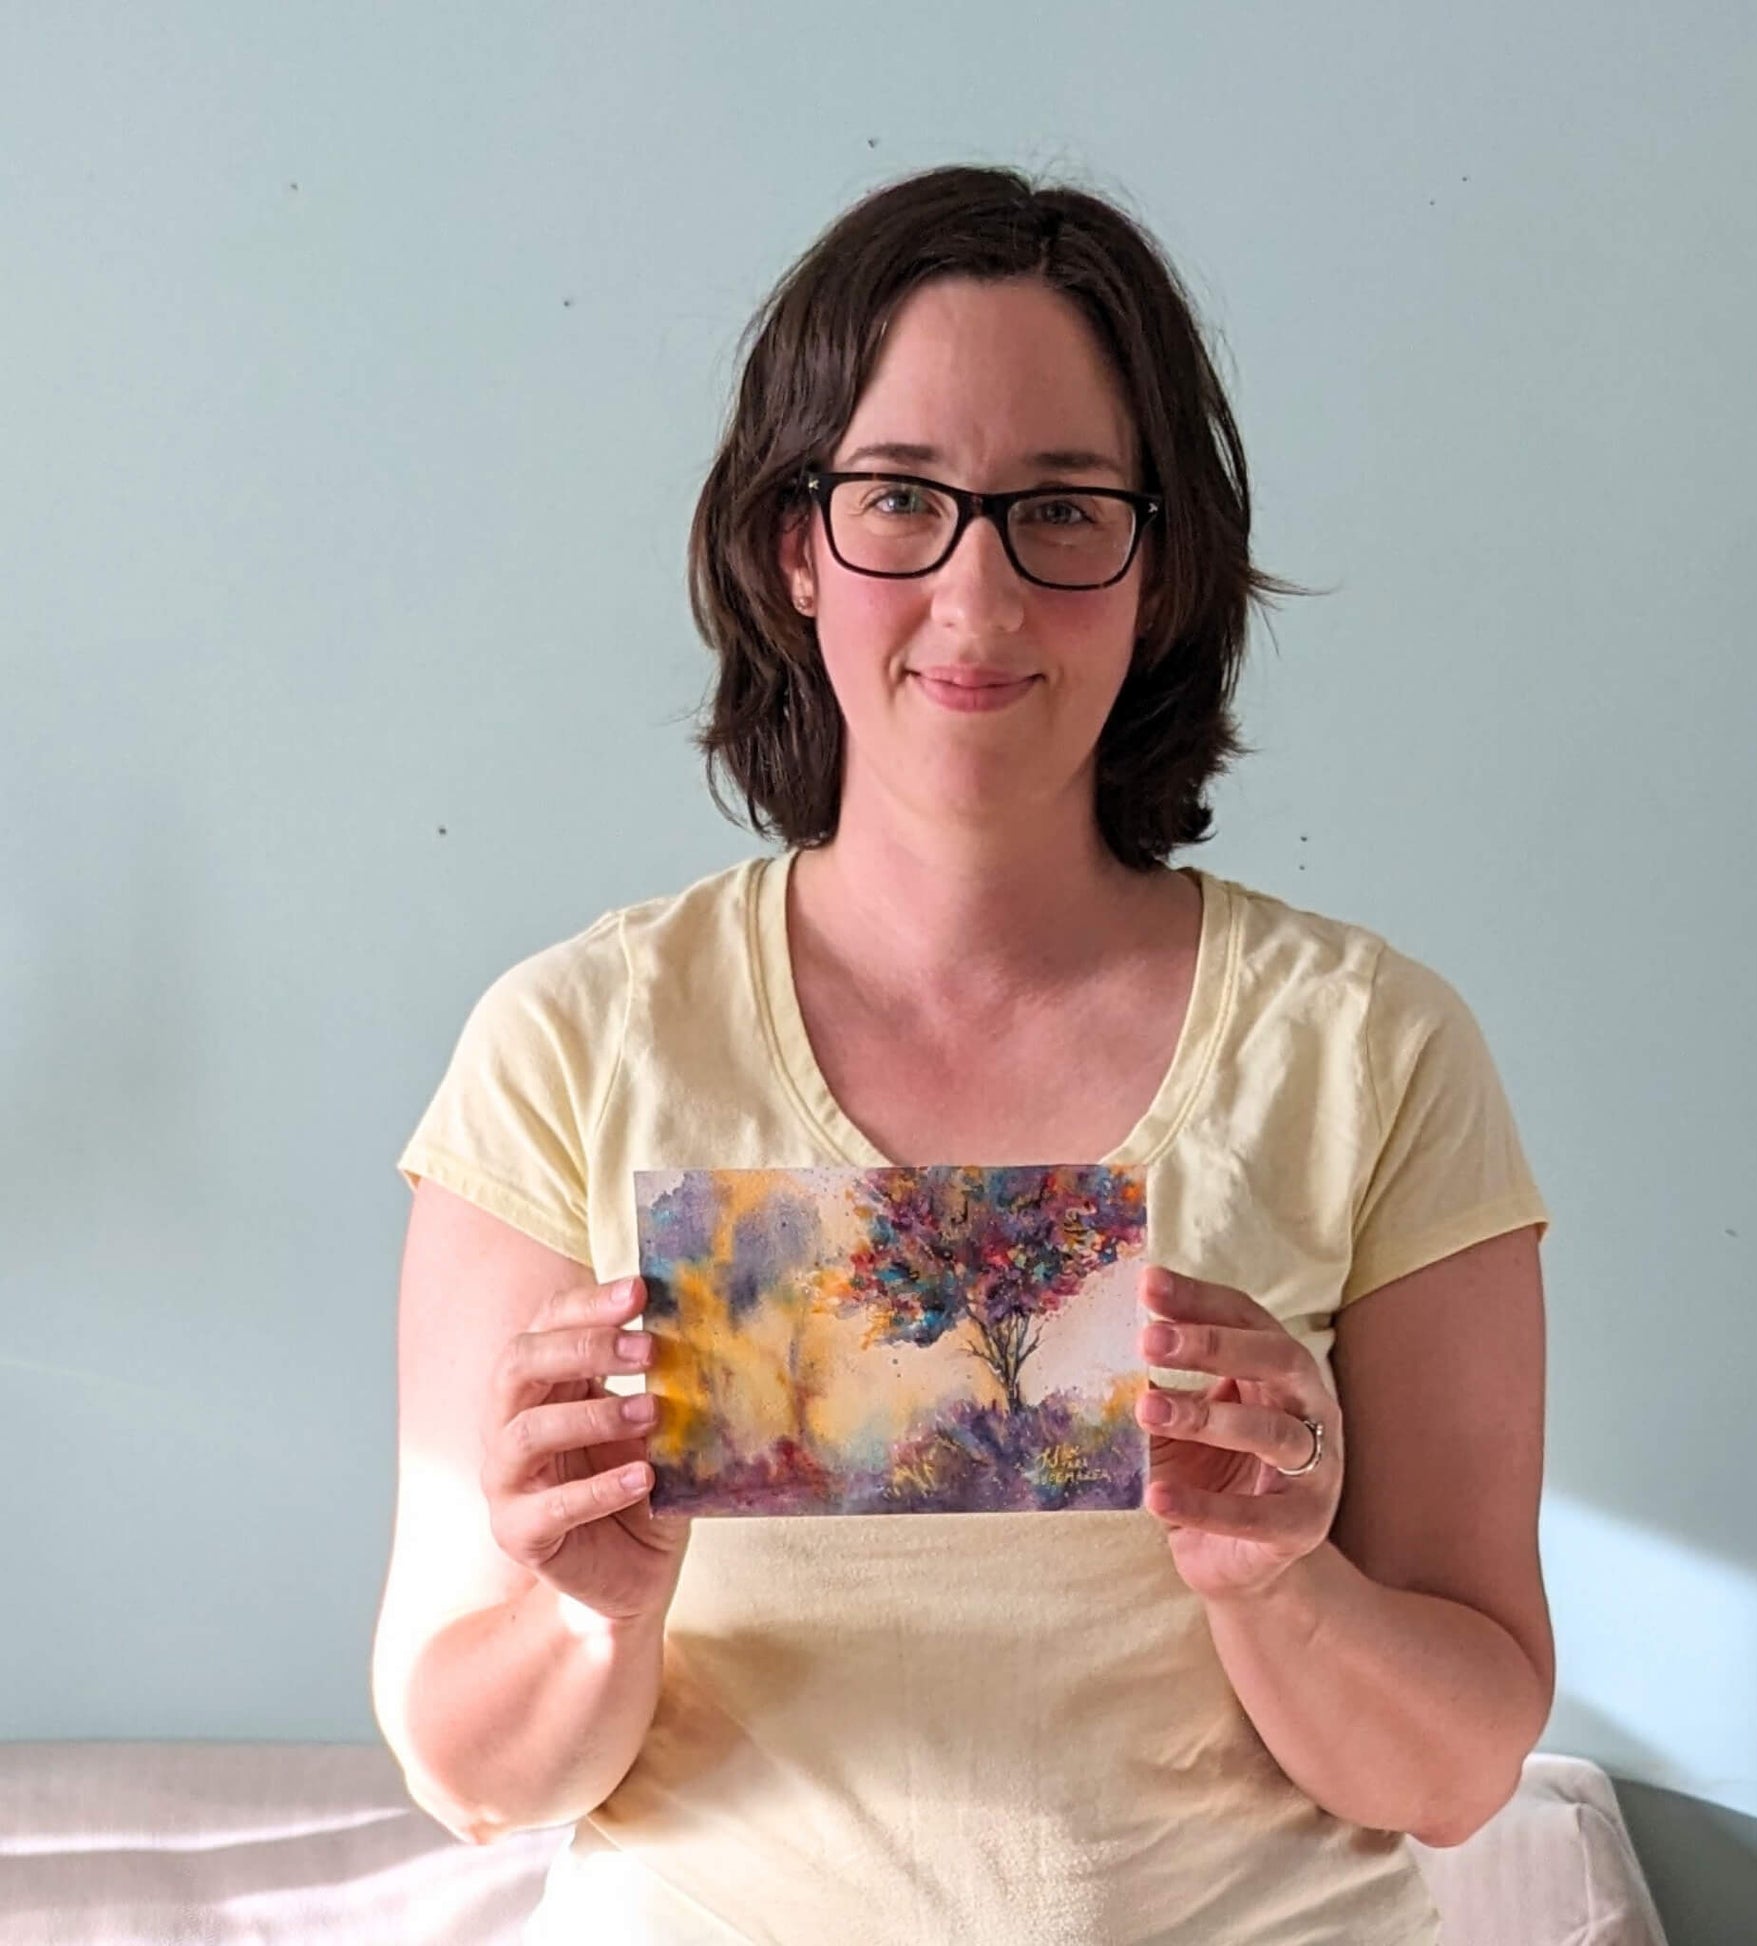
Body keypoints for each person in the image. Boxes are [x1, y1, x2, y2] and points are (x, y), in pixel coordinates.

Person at [372, 163, 1554, 1945]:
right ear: (793, 544)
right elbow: (469, 1772)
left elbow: (1458, 1772)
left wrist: (1279, 1582)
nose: (978, 596)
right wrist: (589, 1610)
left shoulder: (1373, 1048)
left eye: (1061, 509)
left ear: (1157, 567)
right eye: (901, 500)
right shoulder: (569, 1042)